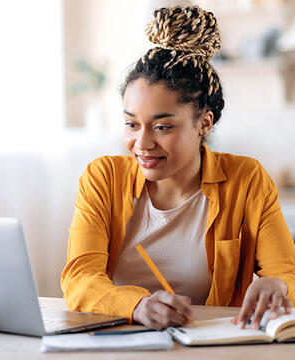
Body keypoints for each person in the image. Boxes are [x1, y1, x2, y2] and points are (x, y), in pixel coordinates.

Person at [61, 5, 295, 331]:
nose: (141, 143)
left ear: (204, 123)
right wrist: (138, 306)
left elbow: (286, 271)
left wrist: (277, 286)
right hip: (122, 343)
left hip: (211, 347)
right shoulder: (103, 178)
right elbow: (79, 277)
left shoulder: (247, 180)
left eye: (162, 127)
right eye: (131, 124)